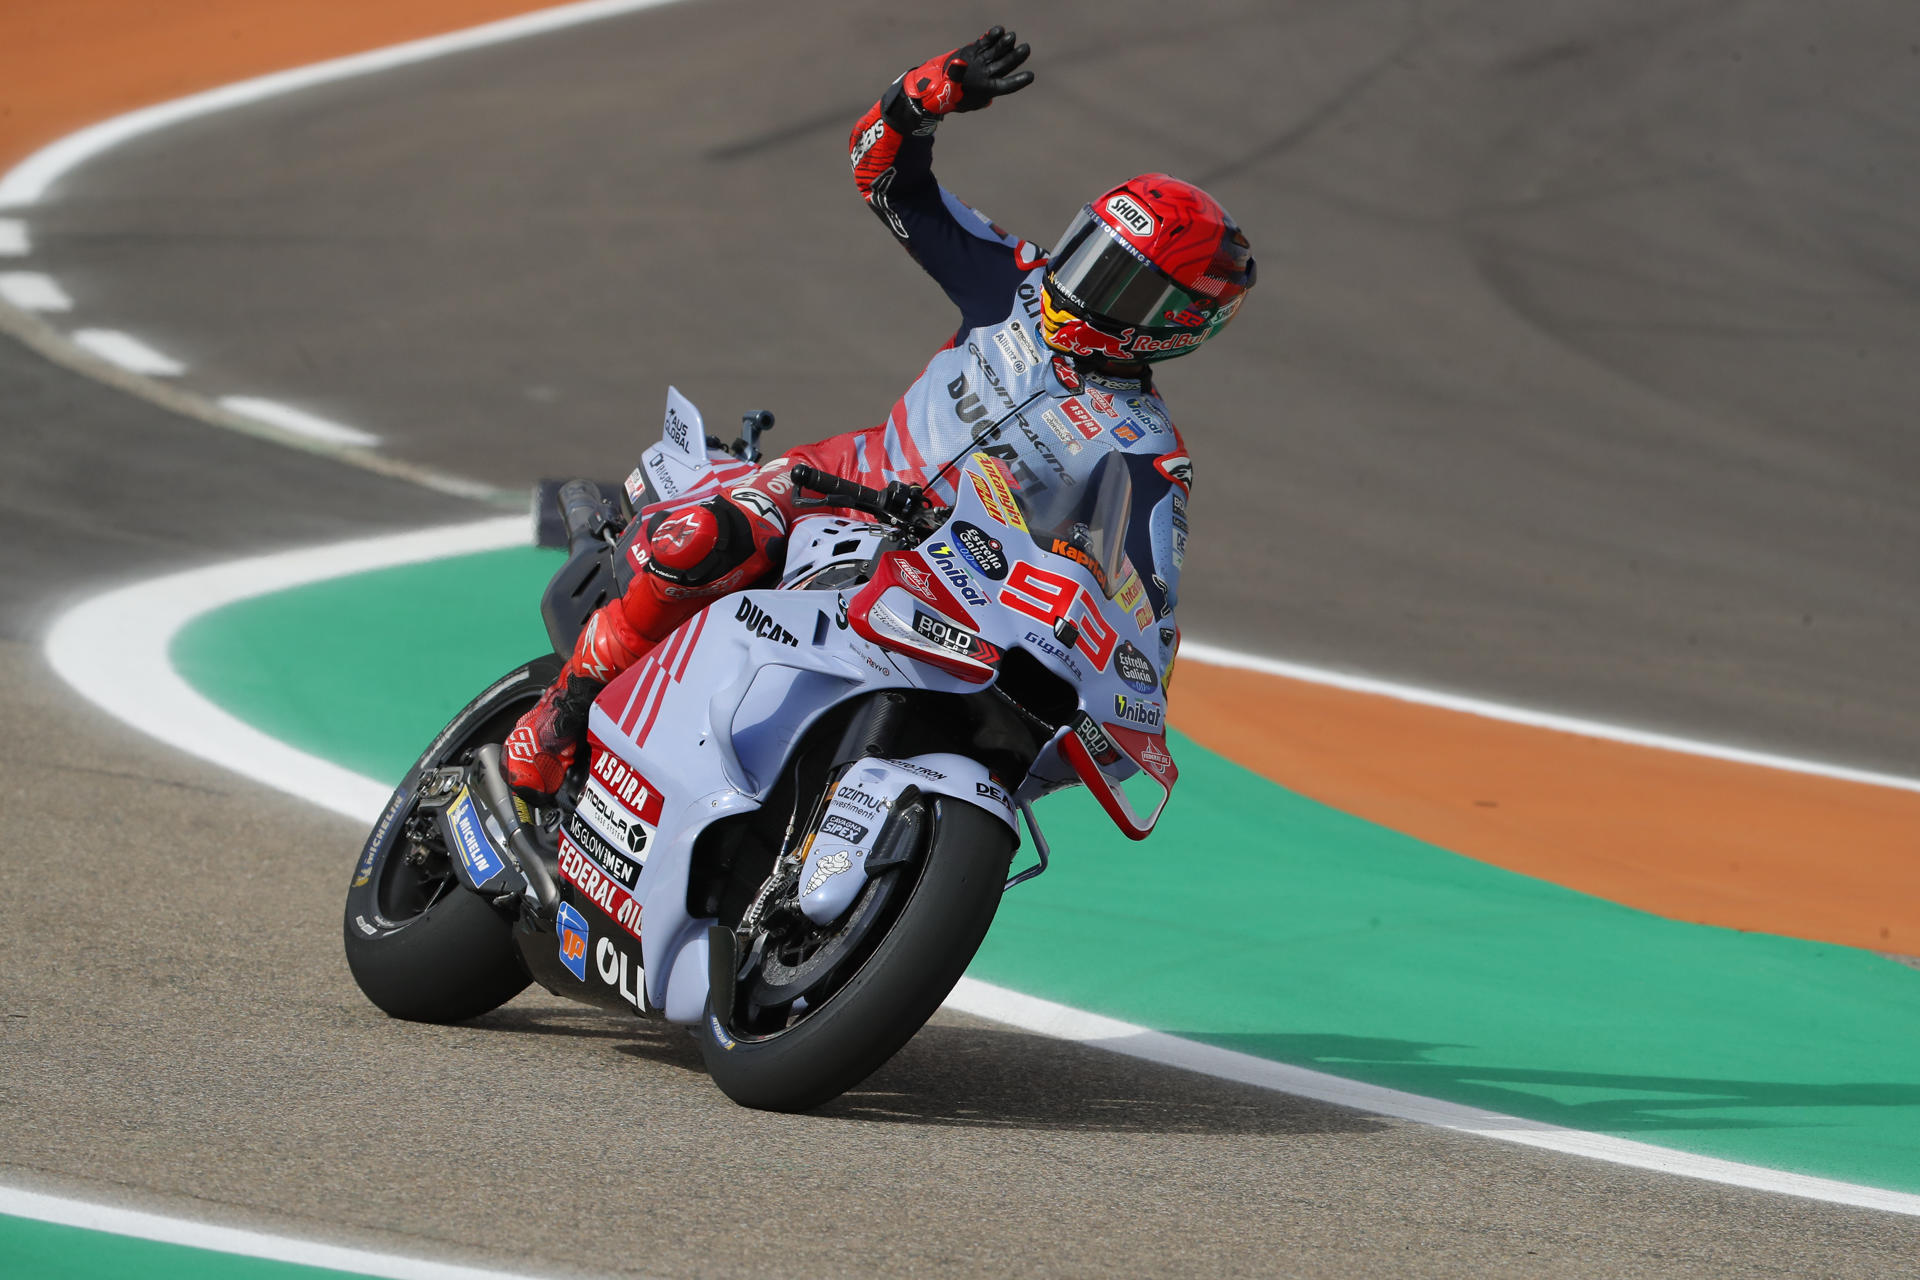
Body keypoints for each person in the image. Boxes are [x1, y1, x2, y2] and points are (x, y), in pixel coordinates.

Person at [504, 25, 1255, 798]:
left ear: (1177, 322)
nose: (1086, 281)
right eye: (1092, 251)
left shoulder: (1146, 445)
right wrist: (923, 96)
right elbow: (886, 179)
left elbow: (1148, 592)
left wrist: (1134, 679)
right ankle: (566, 707)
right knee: (706, 538)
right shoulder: (1015, 283)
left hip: (963, 584)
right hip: (843, 486)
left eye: (1122, 282)